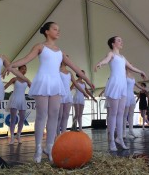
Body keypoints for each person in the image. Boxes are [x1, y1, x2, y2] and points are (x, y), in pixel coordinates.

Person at [8, 22, 94, 163]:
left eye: (59, 29)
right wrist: (12, 64)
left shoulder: (60, 52)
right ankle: (37, 148)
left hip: (55, 84)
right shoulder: (40, 47)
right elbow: (26, 59)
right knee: (42, 114)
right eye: (55, 29)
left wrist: (88, 81)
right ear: (47, 32)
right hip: (43, 81)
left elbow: (76, 68)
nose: (58, 31)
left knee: (54, 114)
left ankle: (49, 147)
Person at [95, 36, 146, 151]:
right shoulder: (111, 54)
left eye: (121, 40)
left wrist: (141, 71)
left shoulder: (122, 57)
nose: (121, 42)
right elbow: (106, 59)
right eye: (118, 40)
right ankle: (112, 141)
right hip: (115, 83)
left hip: (123, 85)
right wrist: (100, 63)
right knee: (113, 113)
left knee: (121, 113)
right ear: (113, 44)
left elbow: (131, 67)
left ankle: (120, 138)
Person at [57, 61, 89, 135]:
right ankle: (57, 134)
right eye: (66, 59)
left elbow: (76, 84)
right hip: (60, 95)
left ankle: (63, 134)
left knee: (66, 116)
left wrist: (84, 92)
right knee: (60, 116)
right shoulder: (57, 71)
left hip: (68, 96)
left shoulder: (70, 73)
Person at [4, 65, 30, 144]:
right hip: (14, 99)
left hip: (22, 99)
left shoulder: (26, 80)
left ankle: (18, 135)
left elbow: (33, 88)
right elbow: (5, 86)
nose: (24, 70)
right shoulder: (14, 79)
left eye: (25, 69)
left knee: (22, 118)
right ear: (18, 70)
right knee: (13, 119)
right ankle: (12, 136)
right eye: (22, 69)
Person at [123, 68, 145, 138]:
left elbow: (137, 85)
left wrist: (143, 88)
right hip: (126, 95)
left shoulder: (132, 76)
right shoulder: (124, 75)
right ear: (127, 68)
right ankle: (123, 131)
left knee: (131, 114)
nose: (132, 68)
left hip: (131, 96)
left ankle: (131, 130)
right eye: (131, 66)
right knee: (125, 114)